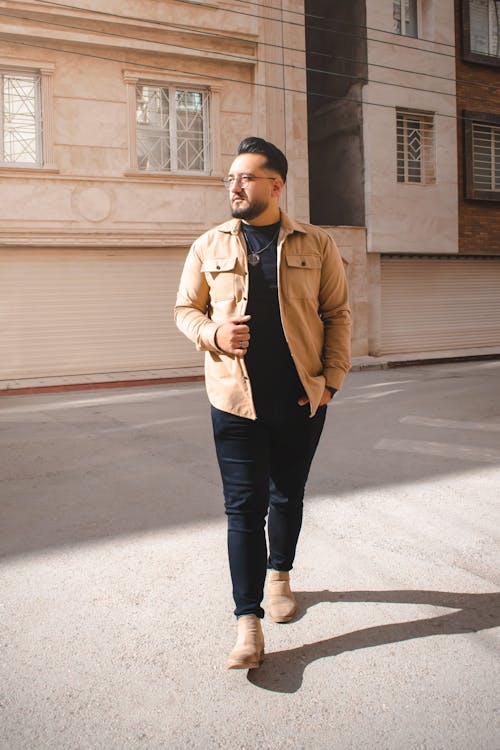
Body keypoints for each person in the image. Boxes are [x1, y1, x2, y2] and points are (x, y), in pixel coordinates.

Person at [174, 136, 351, 670]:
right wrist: (213, 334)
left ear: (275, 184)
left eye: (246, 177)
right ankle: (246, 623)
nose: (234, 185)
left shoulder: (316, 244)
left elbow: (338, 314)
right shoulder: (209, 245)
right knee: (243, 510)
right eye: (230, 178)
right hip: (234, 399)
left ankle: (280, 575)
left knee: (287, 496)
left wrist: (331, 383)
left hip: (301, 397)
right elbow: (185, 309)